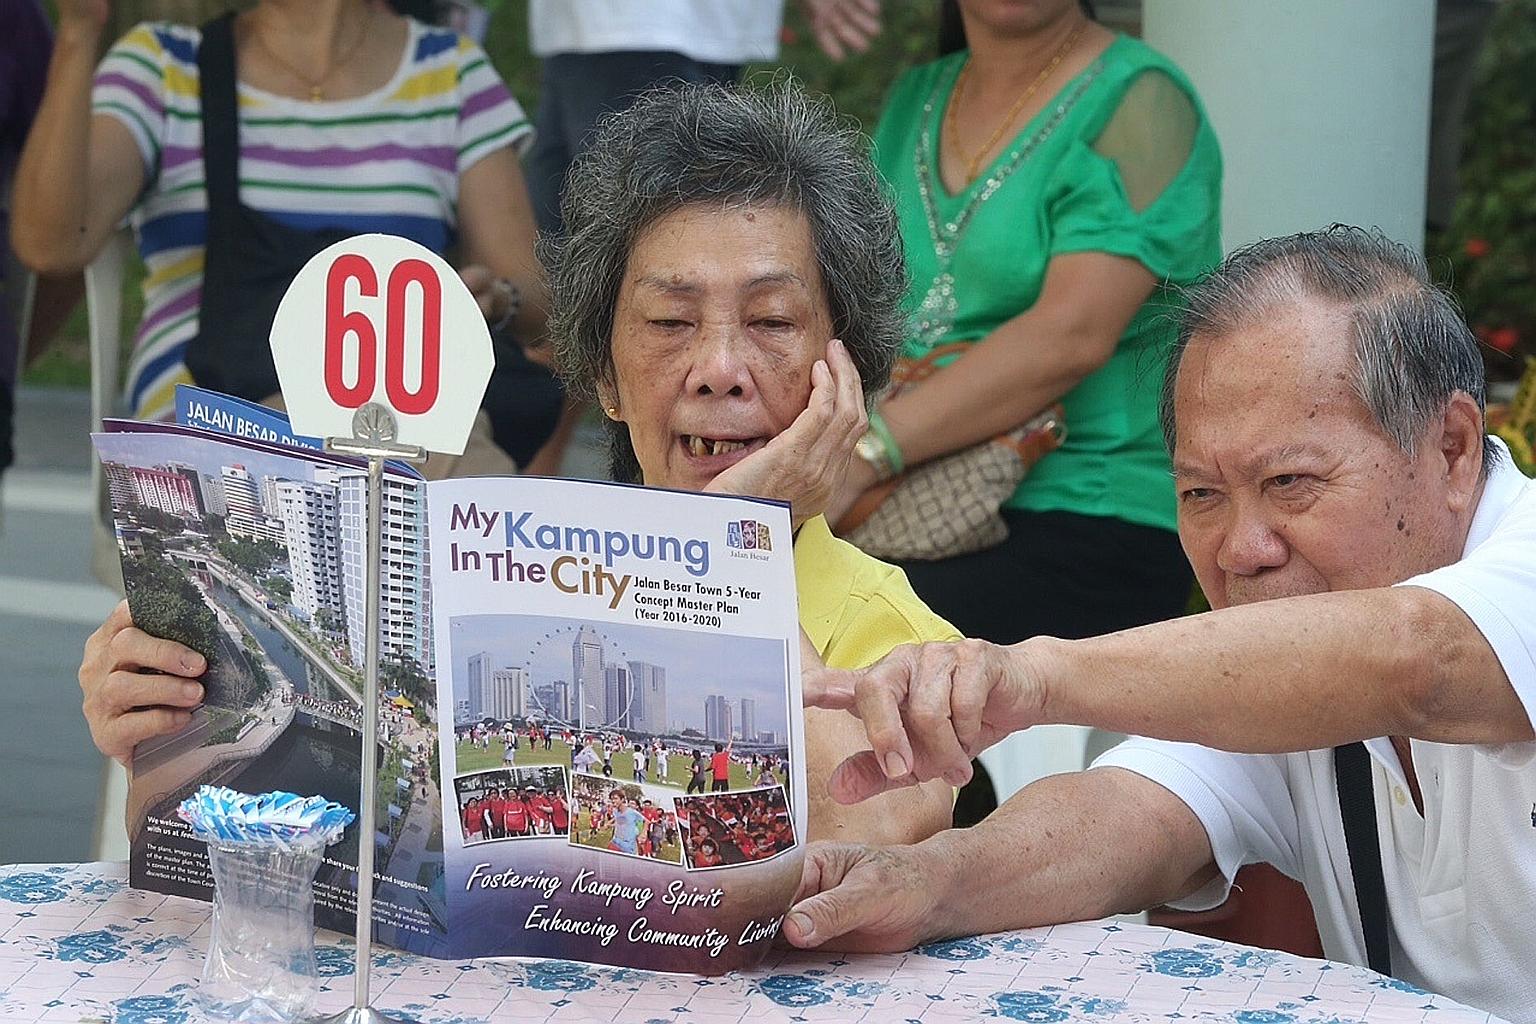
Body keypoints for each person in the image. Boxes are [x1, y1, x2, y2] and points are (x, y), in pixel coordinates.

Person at [78, 80, 958, 845]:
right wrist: (158, 721)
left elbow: (868, 832)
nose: (719, 369)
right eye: (669, 322)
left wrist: (729, 552)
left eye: (770, 322)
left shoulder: (893, 631)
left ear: (842, 372)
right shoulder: (491, 575)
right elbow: (189, 836)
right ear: (606, 378)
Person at [785, 227, 1536, 1022]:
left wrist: (1031, 678)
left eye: (1290, 482)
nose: (1243, 550)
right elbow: (1131, 812)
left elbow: (1413, 657)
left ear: (1451, 447)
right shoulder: (1282, 669)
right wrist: (928, 884)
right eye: (1203, 495)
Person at [826, 0, 1220, 818]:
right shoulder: (917, 97)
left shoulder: (1145, 99)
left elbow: (1070, 334)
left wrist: (864, 455)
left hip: (1085, 509)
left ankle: (921, 900)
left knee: (872, 664)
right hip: (903, 503)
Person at [13, 0, 545, 475]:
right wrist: (79, 33)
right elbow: (51, 244)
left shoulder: (450, 73)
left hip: (398, 430)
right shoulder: (165, 66)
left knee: (442, 474)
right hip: (208, 427)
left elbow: (536, 301)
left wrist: (493, 298)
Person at [606, 790, 644, 856]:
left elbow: (645, 822)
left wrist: (643, 834)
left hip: (628, 845)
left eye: (615, 798)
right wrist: (610, 824)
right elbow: (620, 822)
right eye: (612, 799)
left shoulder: (634, 814)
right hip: (616, 842)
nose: (613, 801)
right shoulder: (617, 811)